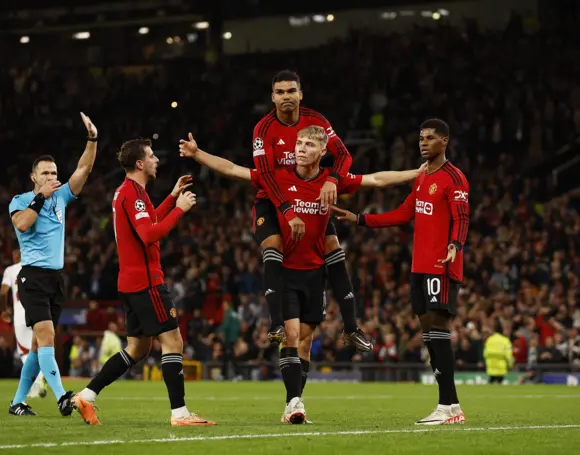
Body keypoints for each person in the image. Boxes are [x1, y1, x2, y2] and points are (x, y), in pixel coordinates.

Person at [179, 126, 420, 423]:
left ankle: (293, 401)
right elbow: (232, 169)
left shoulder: (331, 181)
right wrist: (197, 154)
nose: (300, 149)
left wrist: (416, 173)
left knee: (305, 341)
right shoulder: (278, 177)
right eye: (298, 143)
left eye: (308, 145)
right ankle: (295, 401)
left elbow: (378, 179)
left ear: (322, 152)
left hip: (314, 273)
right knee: (291, 336)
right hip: (286, 273)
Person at [332, 118, 470, 425]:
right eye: (421, 138)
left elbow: (461, 217)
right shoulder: (421, 178)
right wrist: (360, 219)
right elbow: (402, 214)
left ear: (444, 141)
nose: (423, 143)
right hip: (419, 266)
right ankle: (446, 404)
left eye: (430, 138)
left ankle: (450, 405)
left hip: (441, 264)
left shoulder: (454, 177)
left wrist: (455, 246)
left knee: (438, 327)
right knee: (428, 333)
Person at [73, 138, 215, 427]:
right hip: (146, 282)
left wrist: (172, 198)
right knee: (173, 341)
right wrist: (180, 210)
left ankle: (87, 395)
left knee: (138, 349)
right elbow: (150, 235)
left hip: (130, 282)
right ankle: (180, 414)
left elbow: (147, 223)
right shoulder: (134, 194)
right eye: (151, 156)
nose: (156, 160)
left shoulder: (129, 192)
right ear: (139, 163)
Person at [251, 70, 370, 351]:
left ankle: (351, 327)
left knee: (333, 247)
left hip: (309, 196)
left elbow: (344, 155)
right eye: (280, 92)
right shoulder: (263, 128)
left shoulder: (317, 121)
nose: (286, 97)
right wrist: (287, 210)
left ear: (300, 94)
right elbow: (265, 175)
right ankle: (277, 322)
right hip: (273, 198)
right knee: (273, 245)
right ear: (273, 97)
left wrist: (332, 179)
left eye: (291, 91)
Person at [7, 113, 98, 417]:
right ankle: (62, 397)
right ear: (34, 177)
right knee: (47, 336)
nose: (51, 176)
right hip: (31, 276)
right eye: (45, 173)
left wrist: (92, 140)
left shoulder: (61, 197)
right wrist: (40, 199)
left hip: (56, 279)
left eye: (54, 172)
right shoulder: (20, 200)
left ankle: (18, 401)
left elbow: (84, 168)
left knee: (37, 346)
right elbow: (21, 225)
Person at [0, 248, 46, 399]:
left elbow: (3, 292)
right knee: (38, 348)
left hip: (20, 316)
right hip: (36, 312)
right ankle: (38, 381)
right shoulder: (34, 268)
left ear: (16, 256)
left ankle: (37, 381)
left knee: (24, 352)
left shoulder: (10, 270)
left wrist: (4, 310)